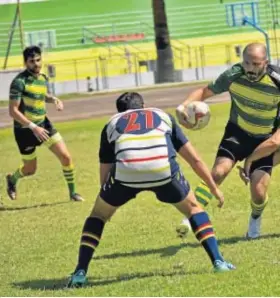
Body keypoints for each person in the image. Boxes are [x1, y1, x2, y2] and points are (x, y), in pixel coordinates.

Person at [67, 92, 235, 288]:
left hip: (126, 173)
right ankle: (219, 262)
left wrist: (107, 200)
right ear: (144, 105)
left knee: (97, 216)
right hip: (162, 171)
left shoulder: (111, 123)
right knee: (194, 209)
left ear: (120, 111)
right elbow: (195, 159)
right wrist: (214, 188)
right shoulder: (163, 116)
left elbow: (105, 169)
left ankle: (80, 272)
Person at [175, 42, 280, 239]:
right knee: (218, 172)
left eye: (256, 64)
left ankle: (255, 219)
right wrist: (184, 106)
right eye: (247, 63)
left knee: (258, 192)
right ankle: (192, 216)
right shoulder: (233, 75)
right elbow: (204, 92)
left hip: (264, 139)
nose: (250, 68)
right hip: (237, 133)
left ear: (266, 62)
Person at [6, 46, 83, 202]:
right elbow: (13, 111)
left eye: (38, 60)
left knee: (66, 157)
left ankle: (73, 193)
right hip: (25, 131)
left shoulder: (42, 77)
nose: (36, 64)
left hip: (44, 125)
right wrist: (33, 127)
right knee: (30, 169)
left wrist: (54, 99)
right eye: (32, 61)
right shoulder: (19, 82)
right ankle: (12, 179)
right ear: (25, 62)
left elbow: (41, 95)